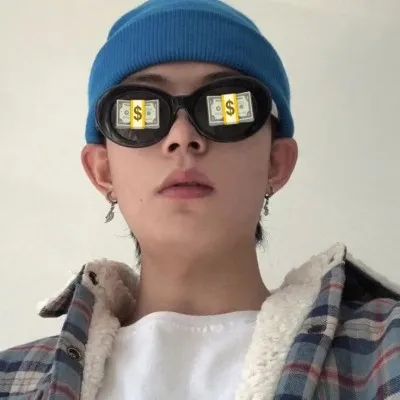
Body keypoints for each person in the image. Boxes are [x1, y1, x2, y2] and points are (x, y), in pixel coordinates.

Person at [1, 0, 400, 399]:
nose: (182, 137)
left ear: (276, 162)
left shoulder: (386, 354)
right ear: (103, 171)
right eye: (139, 112)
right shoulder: (11, 380)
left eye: (226, 107)